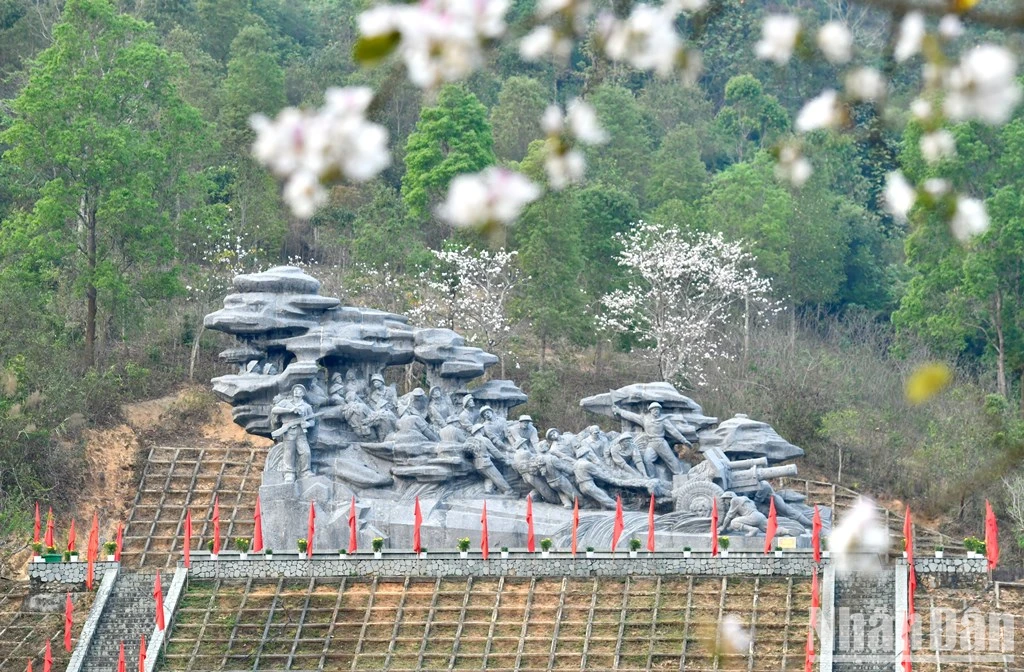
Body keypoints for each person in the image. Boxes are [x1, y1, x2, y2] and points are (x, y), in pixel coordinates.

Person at [611, 401, 689, 475]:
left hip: (661, 442)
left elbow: (674, 431)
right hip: (651, 443)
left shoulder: (664, 420)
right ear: (650, 411)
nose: (656, 411)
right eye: (654, 409)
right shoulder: (645, 419)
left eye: (658, 409)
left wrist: (684, 440)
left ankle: (680, 474)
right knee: (647, 459)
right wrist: (619, 410)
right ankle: (652, 477)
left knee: (671, 459)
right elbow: (632, 416)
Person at [270, 384, 316, 482]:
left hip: (301, 432)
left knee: (305, 452)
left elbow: (312, 420)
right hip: (289, 431)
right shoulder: (285, 403)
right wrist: (290, 410)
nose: (296, 391)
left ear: (303, 393)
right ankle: (289, 473)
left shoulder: (307, 406)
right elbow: (274, 410)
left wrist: (307, 424)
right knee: (289, 452)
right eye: (295, 389)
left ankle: (305, 472)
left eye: (299, 390)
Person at [466, 424, 513, 494]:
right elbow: (495, 452)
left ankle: (488, 490)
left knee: (488, 476)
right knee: (497, 476)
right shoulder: (484, 440)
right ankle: (508, 491)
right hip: (485, 463)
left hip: (476, 464)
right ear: (480, 430)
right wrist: (504, 460)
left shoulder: (471, 441)